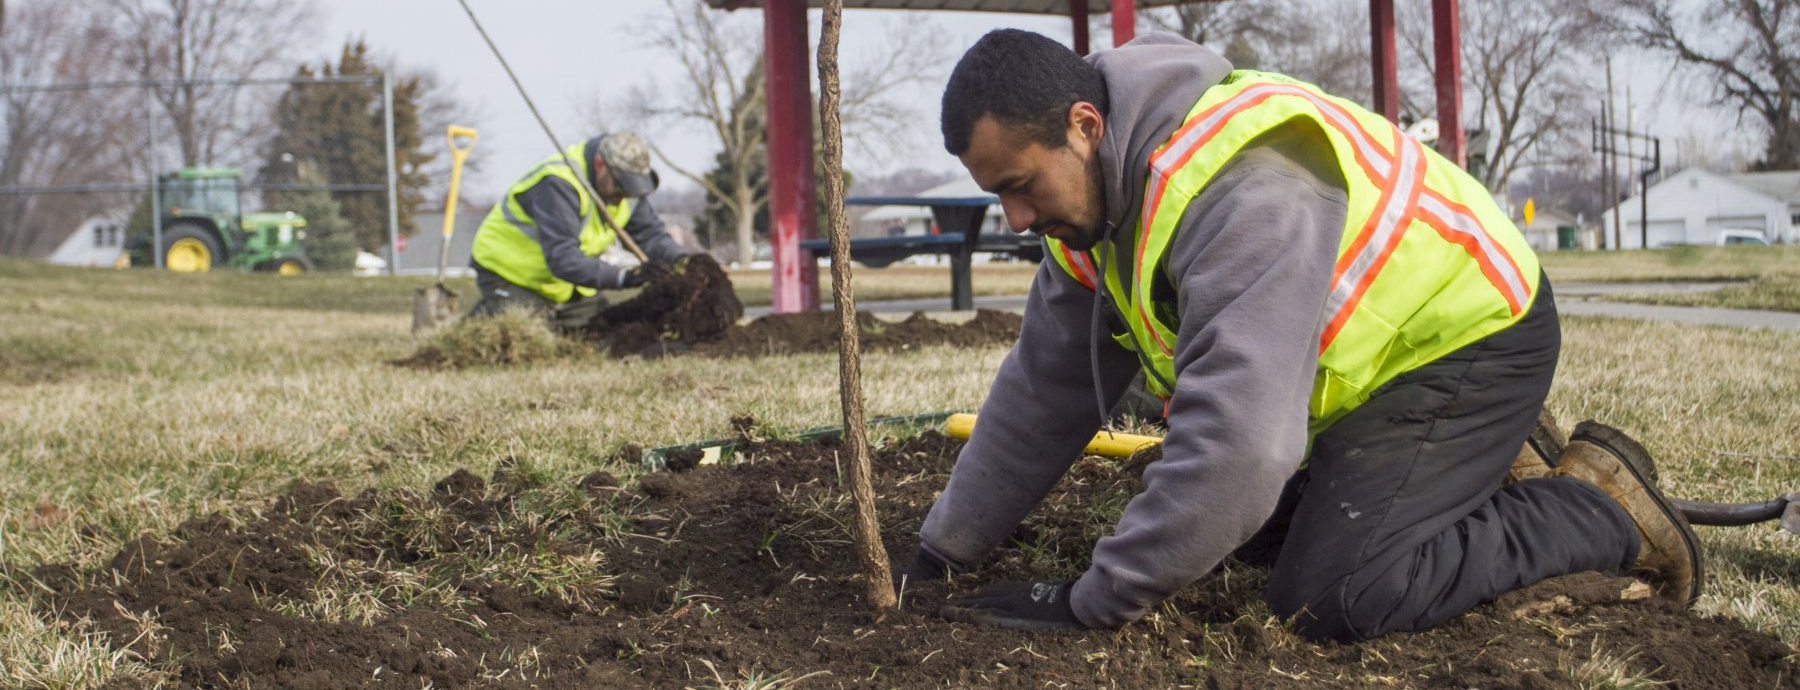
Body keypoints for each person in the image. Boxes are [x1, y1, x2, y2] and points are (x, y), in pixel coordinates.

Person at [899, 29, 1702, 643]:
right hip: (1386, 360)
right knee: (1213, 526)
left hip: (1469, 336)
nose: (1017, 220)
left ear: (1083, 126)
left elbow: (1245, 452)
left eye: (1019, 187)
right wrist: (943, 550)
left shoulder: (1240, 188)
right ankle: (1477, 465)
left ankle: (1599, 511)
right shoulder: (1091, 212)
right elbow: (1045, 390)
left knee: (1335, 593)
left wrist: (1090, 602)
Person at [467, 132, 692, 330]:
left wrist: (682, 261)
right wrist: (624, 277)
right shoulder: (559, 184)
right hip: (511, 275)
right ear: (600, 165)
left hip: (565, 285)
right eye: (622, 186)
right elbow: (563, 258)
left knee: (606, 332)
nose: (625, 196)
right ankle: (482, 317)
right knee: (527, 337)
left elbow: (651, 235)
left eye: (633, 188)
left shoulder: (629, 193)